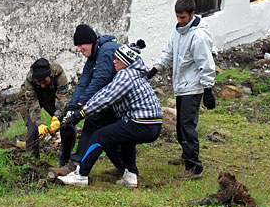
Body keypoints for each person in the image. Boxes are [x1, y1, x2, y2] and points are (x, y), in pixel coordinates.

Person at [57, 44, 163, 188]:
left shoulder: (126, 75)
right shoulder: (138, 74)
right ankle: (130, 175)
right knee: (127, 140)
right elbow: (105, 92)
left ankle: (81, 175)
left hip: (141, 122)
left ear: (126, 62)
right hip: (154, 125)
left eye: (117, 60)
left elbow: (106, 97)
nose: (114, 62)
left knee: (99, 137)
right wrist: (81, 110)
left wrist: (81, 113)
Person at [147, 0, 216, 179]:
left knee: (187, 126)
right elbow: (169, 53)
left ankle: (194, 167)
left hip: (193, 88)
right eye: (177, 17)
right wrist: (154, 70)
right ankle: (186, 155)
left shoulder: (198, 37)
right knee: (181, 126)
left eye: (183, 17)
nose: (179, 21)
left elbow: (206, 63)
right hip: (181, 85)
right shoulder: (178, 32)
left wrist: (208, 88)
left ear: (192, 14)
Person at [48, 24, 124, 177]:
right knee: (106, 135)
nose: (78, 49)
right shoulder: (94, 54)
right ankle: (124, 167)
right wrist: (72, 107)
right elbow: (84, 82)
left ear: (91, 42)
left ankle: (75, 165)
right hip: (112, 99)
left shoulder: (106, 51)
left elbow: (98, 81)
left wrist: (81, 105)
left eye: (81, 45)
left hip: (123, 101)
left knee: (94, 122)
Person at [17, 58, 76, 166]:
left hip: (51, 98)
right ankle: (32, 164)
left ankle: (65, 160)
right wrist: (39, 124)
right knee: (33, 130)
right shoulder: (30, 79)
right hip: (29, 100)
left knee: (68, 125)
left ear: (50, 74)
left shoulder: (58, 73)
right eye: (39, 82)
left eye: (45, 82)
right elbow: (31, 104)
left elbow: (63, 97)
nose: (42, 85)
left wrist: (57, 117)